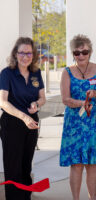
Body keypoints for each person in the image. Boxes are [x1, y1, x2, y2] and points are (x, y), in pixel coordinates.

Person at [59, 34, 96, 200]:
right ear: (72, 53)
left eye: (85, 52)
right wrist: (81, 102)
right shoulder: (67, 72)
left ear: (90, 52)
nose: (81, 55)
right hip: (74, 126)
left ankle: (92, 198)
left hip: (95, 124)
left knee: (92, 164)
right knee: (76, 165)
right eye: (77, 52)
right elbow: (65, 99)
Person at [0, 37, 46, 200]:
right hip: (12, 124)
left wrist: (36, 104)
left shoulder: (36, 73)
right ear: (15, 54)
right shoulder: (7, 73)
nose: (25, 56)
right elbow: (3, 102)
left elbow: (42, 98)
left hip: (31, 124)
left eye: (29, 53)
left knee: (26, 165)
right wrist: (24, 117)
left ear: (33, 55)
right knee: (13, 168)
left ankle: (25, 197)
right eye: (21, 52)